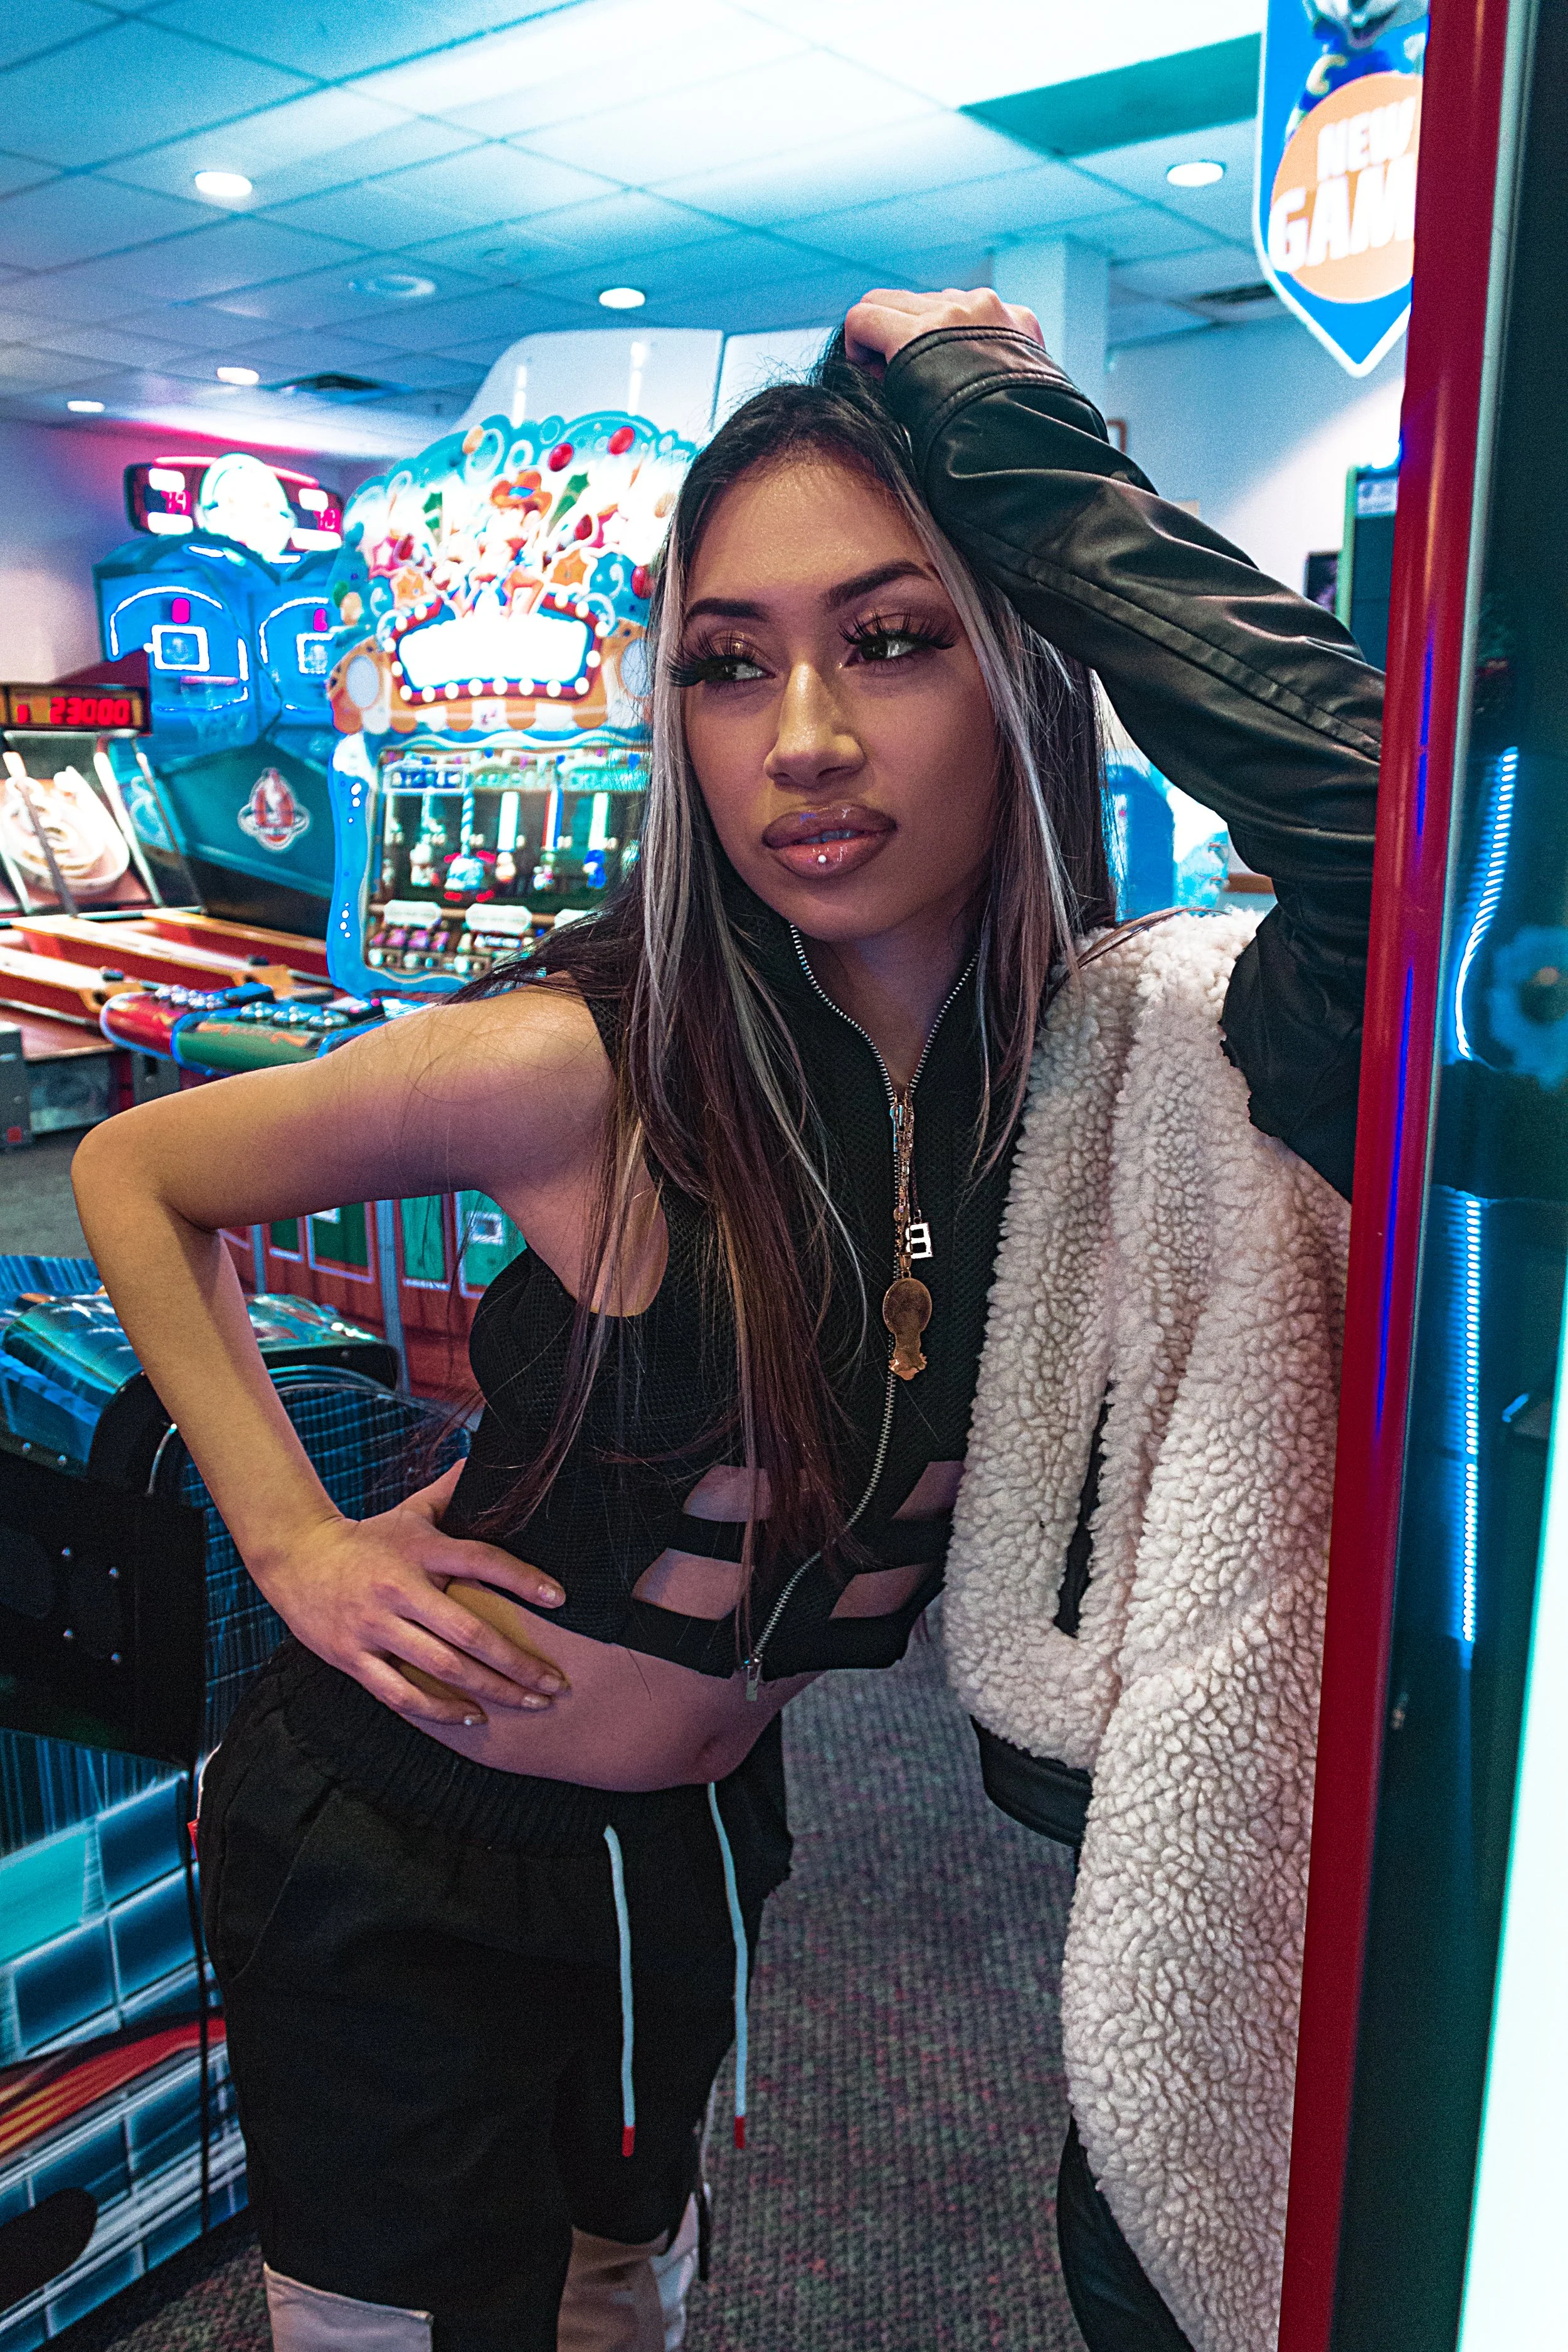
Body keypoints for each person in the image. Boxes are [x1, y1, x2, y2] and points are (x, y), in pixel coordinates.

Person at [73, 287, 1379, 2352]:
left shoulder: (1101, 1061)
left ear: (1018, 665)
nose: (805, 743)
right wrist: (292, 1540)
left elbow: (1428, 871)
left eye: (892, 637)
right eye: (725, 663)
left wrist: (1010, 438)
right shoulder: (580, 1063)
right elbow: (137, 1174)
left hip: (693, 1823)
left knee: (622, 2287)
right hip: (404, 1834)